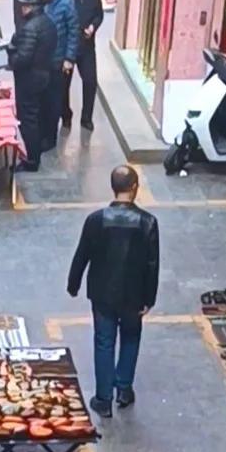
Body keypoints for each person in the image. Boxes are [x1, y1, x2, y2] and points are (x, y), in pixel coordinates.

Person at [67, 164, 160, 418]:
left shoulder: (96, 220)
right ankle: (124, 389)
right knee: (130, 338)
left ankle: (103, 398)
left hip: (102, 293)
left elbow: (82, 254)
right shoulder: (148, 222)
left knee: (104, 342)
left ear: (113, 187)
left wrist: (73, 284)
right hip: (134, 295)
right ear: (134, 187)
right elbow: (152, 265)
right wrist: (149, 298)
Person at [8, 0, 57, 172]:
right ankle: (36, 152)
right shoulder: (48, 23)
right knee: (38, 116)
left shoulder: (30, 28)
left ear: (31, 6)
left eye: (25, 5)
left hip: (30, 79)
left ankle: (32, 159)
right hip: (45, 75)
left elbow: (23, 58)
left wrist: (12, 51)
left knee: (27, 118)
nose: (21, 8)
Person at [38, 0, 79, 153]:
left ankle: (50, 138)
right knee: (42, 99)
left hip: (58, 59)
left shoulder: (66, 2)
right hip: (41, 59)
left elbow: (73, 31)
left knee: (55, 100)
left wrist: (69, 58)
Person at [63, 0, 104, 132]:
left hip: (87, 46)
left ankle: (86, 117)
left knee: (90, 82)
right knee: (63, 85)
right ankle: (65, 115)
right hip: (68, 47)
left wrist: (93, 27)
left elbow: (99, 15)